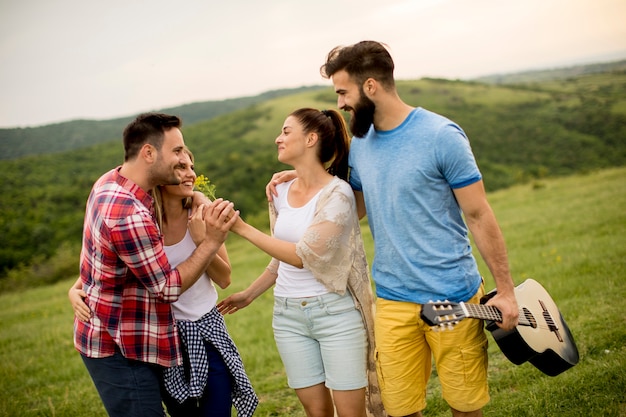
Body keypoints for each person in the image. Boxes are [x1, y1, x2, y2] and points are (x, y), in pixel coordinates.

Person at [266, 41, 519, 417]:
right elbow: (352, 206)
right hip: (391, 300)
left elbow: (479, 215)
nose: (340, 104)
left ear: (370, 87)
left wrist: (508, 292)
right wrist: (304, 175)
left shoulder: (442, 135)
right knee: (399, 411)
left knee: (465, 407)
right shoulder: (362, 146)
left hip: (455, 294)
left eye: (343, 92)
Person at [217, 108, 384, 417]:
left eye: (285, 131)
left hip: (335, 314)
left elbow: (301, 255)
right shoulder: (279, 191)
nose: (277, 138)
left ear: (310, 138)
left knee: (350, 413)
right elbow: (279, 257)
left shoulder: (339, 194)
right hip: (288, 316)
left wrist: (240, 228)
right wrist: (249, 295)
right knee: (316, 411)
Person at [71, 112, 238, 417]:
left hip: (131, 337)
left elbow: (101, 258)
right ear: (148, 153)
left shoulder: (110, 181)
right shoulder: (131, 214)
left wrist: (80, 287)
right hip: (119, 345)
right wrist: (211, 241)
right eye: (176, 152)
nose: (183, 164)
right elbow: (166, 287)